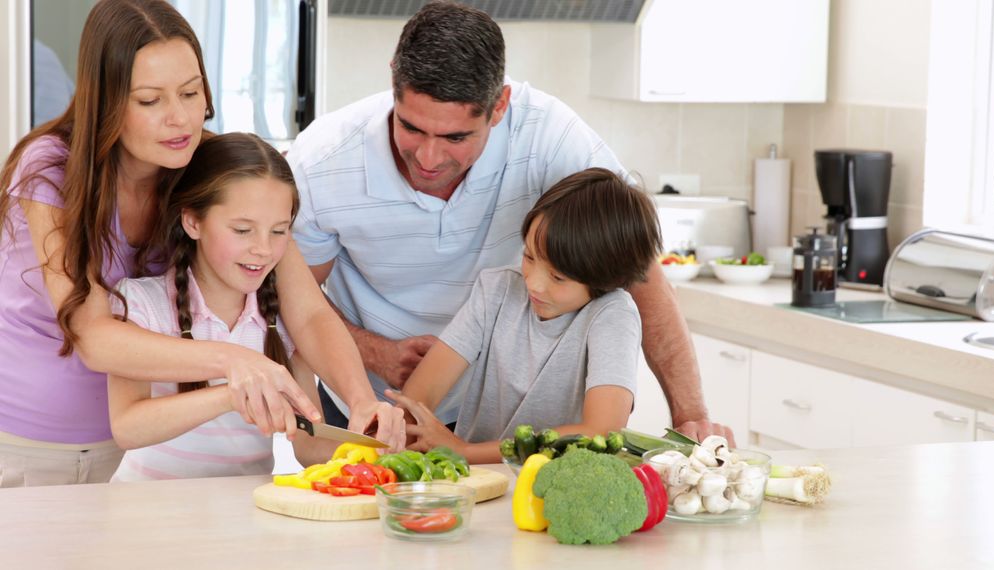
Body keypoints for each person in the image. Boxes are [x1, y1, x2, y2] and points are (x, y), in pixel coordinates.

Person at [287, 1, 732, 442]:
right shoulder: (323, 160)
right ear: (393, 82)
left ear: (499, 106)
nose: (428, 158)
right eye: (412, 128)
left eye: (456, 137)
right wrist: (374, 352)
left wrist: (690, 415)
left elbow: (636, 267)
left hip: (506, 414)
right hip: (368, 398)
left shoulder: (549, 137)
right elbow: (294, 295)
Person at [0, 0, 400, 488]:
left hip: (131, 453)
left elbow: (308, 310)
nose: (181, 119)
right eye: (151, 101)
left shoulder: (201, 162)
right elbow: (95, 337)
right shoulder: (50, 170)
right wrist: (235, 362)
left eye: (191, 93)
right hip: (23, 442)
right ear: (105, 100)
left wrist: (360, 400)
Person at [108, 133, 349, 480]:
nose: (264, 249)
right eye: (242, 230)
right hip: (149, 513)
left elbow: (309, 446)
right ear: (193, 222)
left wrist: (380, 451)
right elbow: (128, 426)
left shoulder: (285, 319)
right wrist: (232, 393)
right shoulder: (141, 303)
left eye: (279, 231)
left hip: (243, 513)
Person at [388, 168, 662, 464]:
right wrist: (397, 436)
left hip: (553, 485)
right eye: (529, 257)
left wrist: (466, 452)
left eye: (557, 277)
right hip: (475, 478)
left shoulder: (613, 314)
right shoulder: (497, 289)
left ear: (604, 281)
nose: (533, 283)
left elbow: (601, 430)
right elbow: (418, 396)